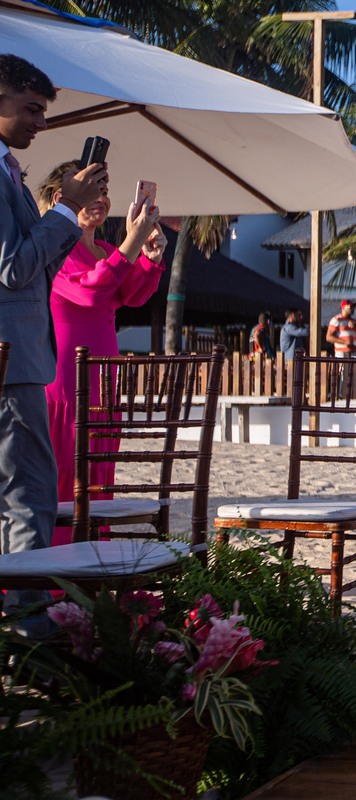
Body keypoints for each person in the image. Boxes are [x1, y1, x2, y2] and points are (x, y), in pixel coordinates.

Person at [0, 54, 106, 631]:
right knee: (29, 497)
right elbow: (13, 269)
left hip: (20, 358)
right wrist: (63, 208)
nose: (42, 121)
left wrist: (73, 224)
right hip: (11, 364)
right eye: (31, 108)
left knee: (24, 496)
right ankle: (28, 639)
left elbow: (30, 270)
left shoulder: (9, 169)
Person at [35, 161, 165, 548]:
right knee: (63, 485)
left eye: (105, 190)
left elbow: (131, 295)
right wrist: (131, 243)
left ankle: (92, 578)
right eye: (94, 190)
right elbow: (90, 290)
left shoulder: (104, 249)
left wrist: (149, 256)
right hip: (63, 390)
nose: (103, 199)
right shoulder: (55, 247)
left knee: (97, 486)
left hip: (102, 391)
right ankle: (56, 584)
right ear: (64, 198)